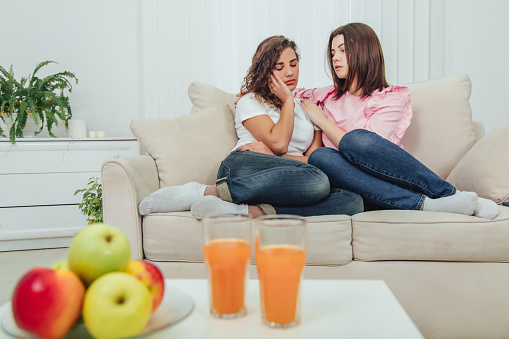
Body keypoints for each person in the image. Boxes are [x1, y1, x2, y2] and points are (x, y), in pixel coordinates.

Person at [139, 35, 363, 219]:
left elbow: (316, 160)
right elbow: (278, 142)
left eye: (293, 64)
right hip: (246, 166)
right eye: (280, 67)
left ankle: (249, 211)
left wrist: (283, 158)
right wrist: (286, 101)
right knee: (318, 182)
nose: (289, 72)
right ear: (266, 70)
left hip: (292, 178)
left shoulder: (307, 108)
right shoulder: (251, 101)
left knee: (352, 200)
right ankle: (204, 191)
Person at [294, 22, 499, 219]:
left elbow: (366, 154)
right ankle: (428, 205)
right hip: (354, 188)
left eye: (342, 50)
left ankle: (449, 194)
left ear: (364, 52)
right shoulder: (326, 95)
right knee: (321, 157)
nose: (335, 58)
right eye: (332, 53)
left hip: (385, 179)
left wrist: (322, 122)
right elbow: (282, 92)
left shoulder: (389, 99)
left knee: (356, 140)